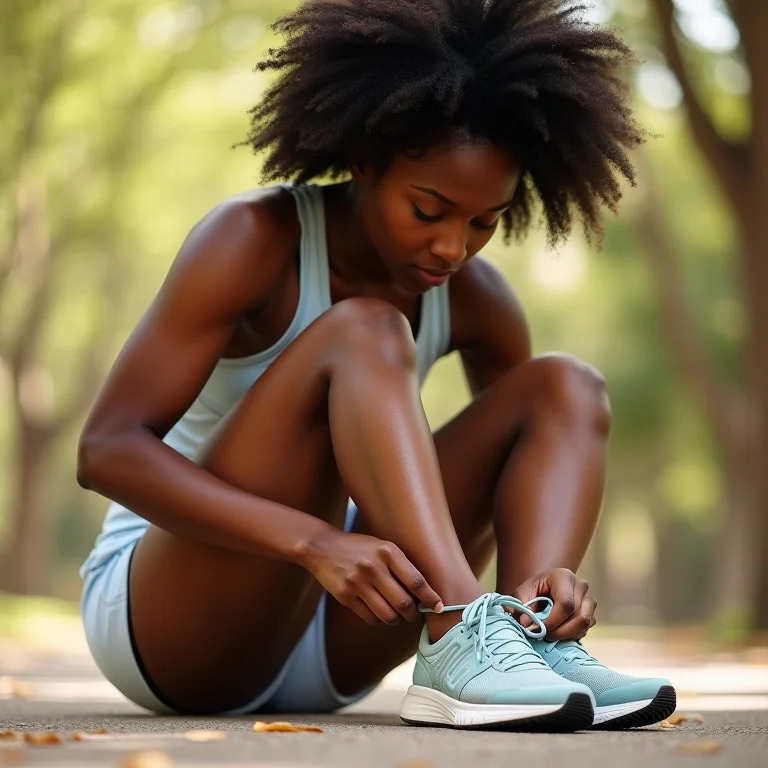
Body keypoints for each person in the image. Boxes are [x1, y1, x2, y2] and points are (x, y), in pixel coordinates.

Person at [77, 0, 675, 732]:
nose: (454, 247)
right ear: (365, 160)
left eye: (484, 222)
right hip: (176, 620)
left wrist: (544, 581)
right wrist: (315, 543)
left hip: (340, 631)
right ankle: (459, 630)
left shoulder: (477, 301)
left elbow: (528, 466)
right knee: (364, 330)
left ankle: (532, 640)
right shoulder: (253, 240)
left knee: (565, 384)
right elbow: (106, 451)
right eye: (430, 210)